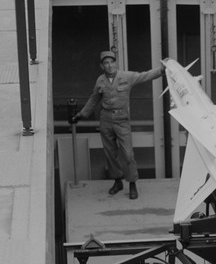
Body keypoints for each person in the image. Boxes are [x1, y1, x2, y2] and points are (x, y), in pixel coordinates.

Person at [70, 51, 166, 199]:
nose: (110, 65)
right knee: (110, 153)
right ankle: (117, 182)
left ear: (116, 63)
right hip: (106, 119)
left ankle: (132, 183)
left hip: (122, 119)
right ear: (102, 66)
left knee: (128, 154)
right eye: (106, 63)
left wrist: (161, 70)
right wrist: (81, 115)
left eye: (112, 62)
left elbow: (144, 75)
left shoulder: (126, 77)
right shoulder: (100, 81)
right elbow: (94, 99)